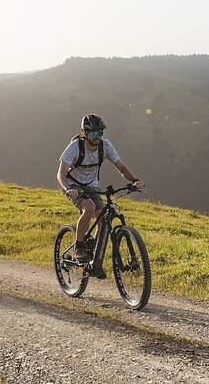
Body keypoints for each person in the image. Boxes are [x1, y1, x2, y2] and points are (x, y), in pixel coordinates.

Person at [56, 113, 144, 278]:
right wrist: (68, 188)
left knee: (103, 219)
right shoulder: (75, 147)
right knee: (89, 208)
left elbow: (121, 167)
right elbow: (61, 173)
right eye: (93, 133)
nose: (98, 137)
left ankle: (95, 260)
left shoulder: (106, 146)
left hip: (92, 186)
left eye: (100, 132)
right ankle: (79, 247)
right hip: (73, 185)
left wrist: (134, 180)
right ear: (85, 133)